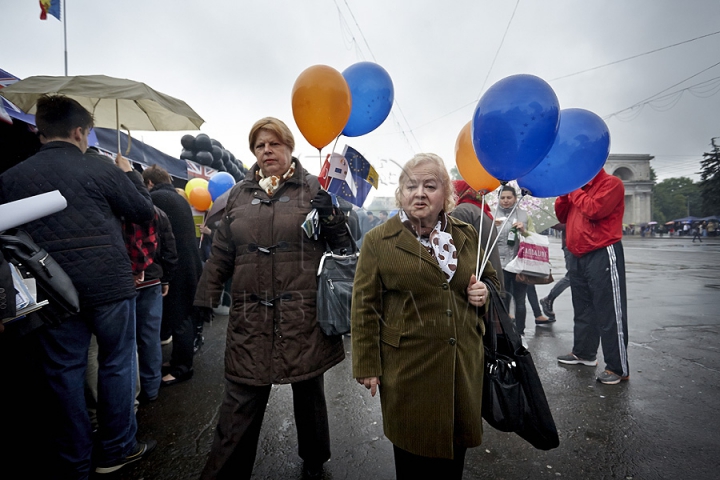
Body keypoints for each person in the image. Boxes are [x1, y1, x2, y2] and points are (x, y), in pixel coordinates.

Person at [0, 95, 156, 477]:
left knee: (64, 371)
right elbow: (143, 211)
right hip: (109, 284)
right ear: (79, 132)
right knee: (117, 362)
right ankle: (117, 449)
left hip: (51, 290)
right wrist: (129, 174)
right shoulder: (101, 169)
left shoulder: (11, 177)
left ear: (39, 132)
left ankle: (76, 461)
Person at [194, 117, 352, 480]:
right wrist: (204, 298)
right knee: (241, 398)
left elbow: (344, 247)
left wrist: (330, 215)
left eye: (274, 144)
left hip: (303, 313)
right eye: (260, 145)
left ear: (289, 147)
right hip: (250, 315)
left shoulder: (314, 187)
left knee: (308, 387)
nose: (267, 150)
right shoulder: (237, 194)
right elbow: (220, 254)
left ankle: (316, 457)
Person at [351, 153, 500, 480]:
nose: (419, 193)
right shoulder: (379, 241)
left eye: (429, 185)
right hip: (408, 369)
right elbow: (364, 305)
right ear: (401, 193)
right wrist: (366, 366)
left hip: (462, 365)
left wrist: (485, 292)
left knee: (453, 460)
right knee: (413, 459)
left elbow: (491, 278)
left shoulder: (466, 234)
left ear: (445, 193)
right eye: (411, 185)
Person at [555, 168, 629, 385]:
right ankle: (584, 354)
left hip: (602, 251)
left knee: (609, 311)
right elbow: (561, 216)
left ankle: (617, 367)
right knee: (583, 308)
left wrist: (574, 188)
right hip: (578, 253)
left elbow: (594, 210)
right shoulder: (578, 188)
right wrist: (563, 194)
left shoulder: (611, 183)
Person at [142, 165, 204, 386]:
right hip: (189, 265)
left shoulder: (157, 198)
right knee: (183, 316)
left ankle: (182, 368)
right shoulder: (178, 198)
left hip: (176, 267)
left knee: (180, 320)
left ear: (149, 183)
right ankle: (178, 362)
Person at [494, 185, 547, 336]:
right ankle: (504, 332)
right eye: (502, 198)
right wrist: (492, 226)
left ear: (515, 199)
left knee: (520, 301)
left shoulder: (523, 215)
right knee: (502, 299)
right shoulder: (492, 215)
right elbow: (485, 239)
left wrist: (524, 231)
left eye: (509, 198)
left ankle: (520, 332)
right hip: (501, 265)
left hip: (519, 265)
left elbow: (533, 238)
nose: (505, 201)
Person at [449, 179, 504, 287]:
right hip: (491, 278)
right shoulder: (483, 211)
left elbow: (456, 251)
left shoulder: (461, 212)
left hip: (477, 282)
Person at [540, 224, 571, 322]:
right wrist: (572, 223)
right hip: (571, 245)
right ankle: (549, 298)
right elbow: (555, 223)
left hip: (587, 245)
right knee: (572, 276)